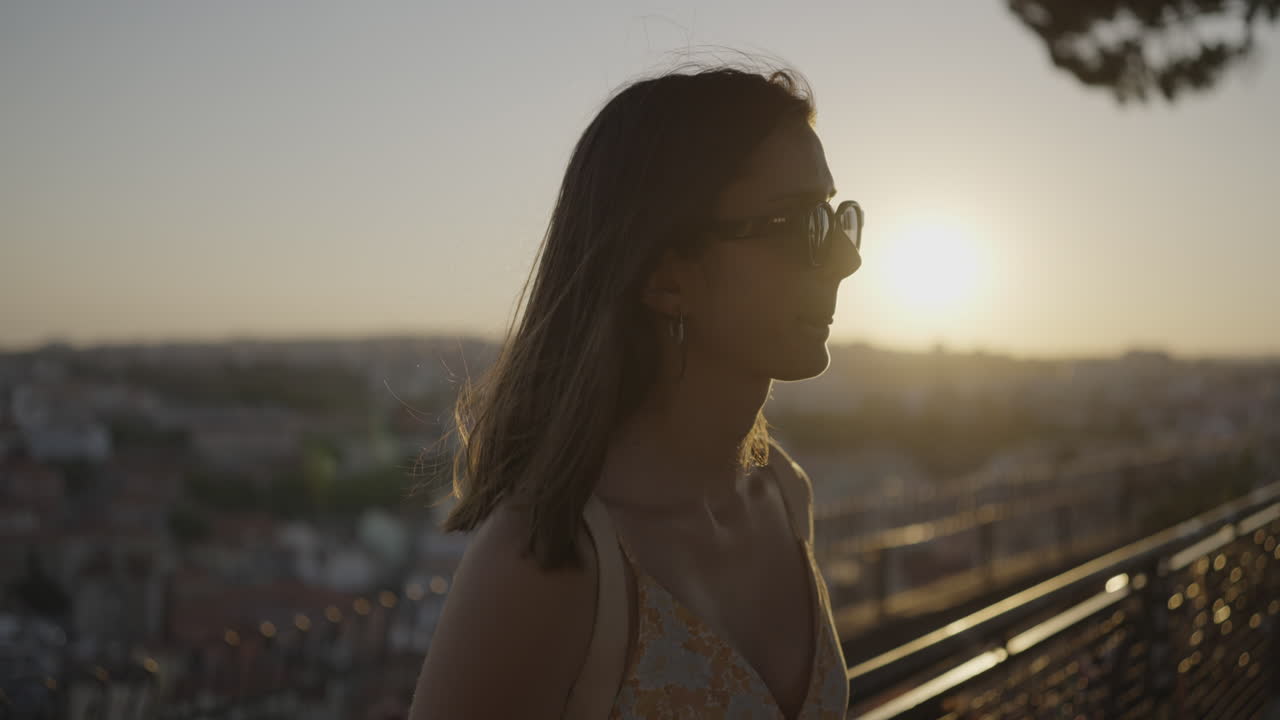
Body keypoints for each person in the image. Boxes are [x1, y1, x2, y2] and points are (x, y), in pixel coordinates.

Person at [408, 59, 863, 719]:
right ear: (666, 279)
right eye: (798, 225)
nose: (847, 259)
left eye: (835, 216)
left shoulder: (783, 496)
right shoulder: (546, 566)